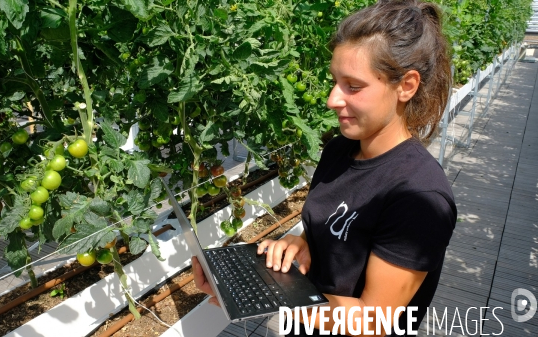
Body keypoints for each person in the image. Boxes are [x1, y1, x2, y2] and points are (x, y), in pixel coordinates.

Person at [192, 0, 457, 335]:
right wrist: (303, 244)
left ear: (406, 86)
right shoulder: (340, 150)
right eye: (335, 81)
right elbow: (338, 231)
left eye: (354, 86)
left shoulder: (419, 197)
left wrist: (259, 294)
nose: (333, 99)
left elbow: (373, 320)